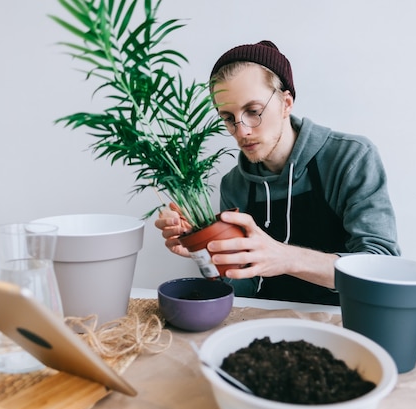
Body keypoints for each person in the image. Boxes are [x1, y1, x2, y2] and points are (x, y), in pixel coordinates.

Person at [155, 40, 400, 305]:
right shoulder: (235, 185)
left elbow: (381, 268)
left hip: (345, 319)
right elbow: (242, 289)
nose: (242, 131)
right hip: (265, 323)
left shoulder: (350, 158)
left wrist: (283, 257)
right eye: (228, 117)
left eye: (254, 111)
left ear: (286, 103)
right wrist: (205, 251)